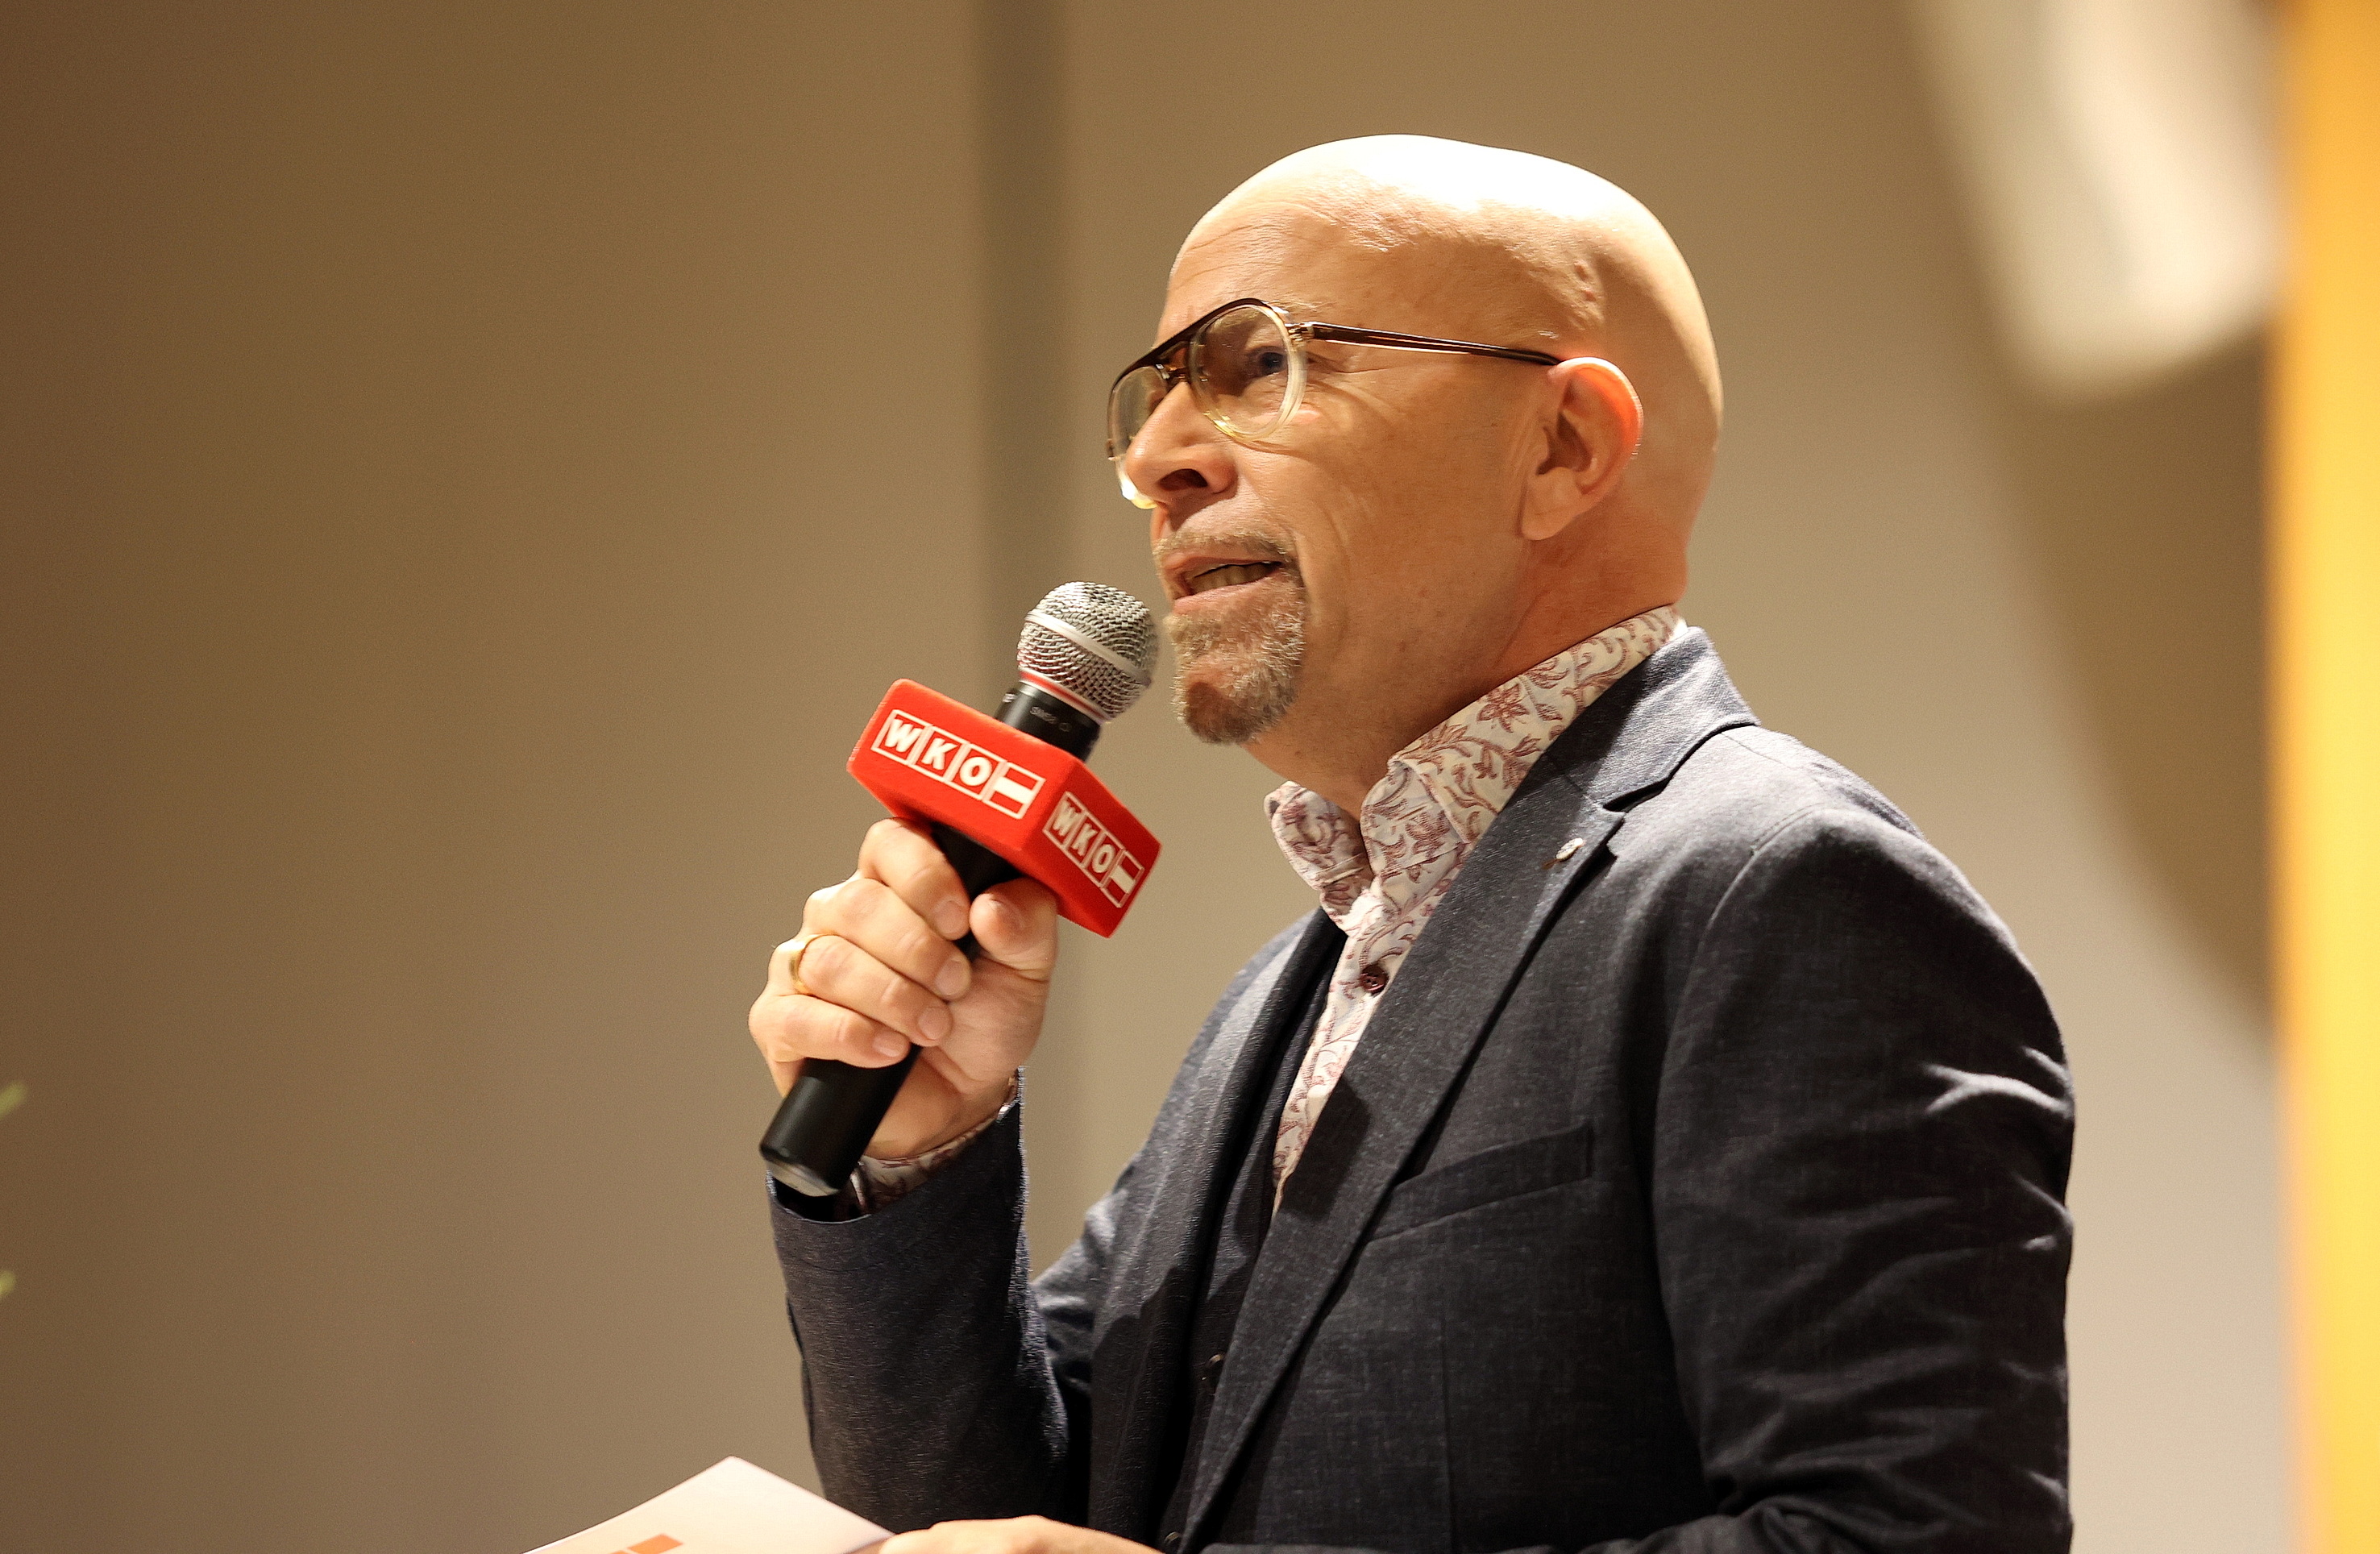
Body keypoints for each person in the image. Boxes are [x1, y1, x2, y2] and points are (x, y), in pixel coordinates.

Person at [748, 135, 2073, 1554]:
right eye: (1155, 394)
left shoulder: (1782, 892)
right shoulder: (1283, 998)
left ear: (1561, 448)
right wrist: (926, 1145)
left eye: (1260, 363)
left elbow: (1909, 1537)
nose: (1154, 460)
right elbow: (997, 1523)